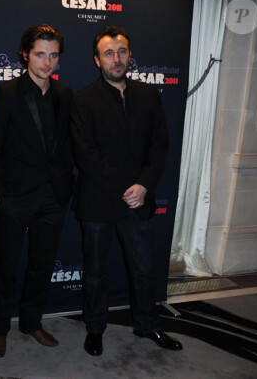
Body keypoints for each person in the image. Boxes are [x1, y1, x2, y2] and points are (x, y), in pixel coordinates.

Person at [70, 25, 182, 357]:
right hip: (98, 201)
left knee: (144, 269)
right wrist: (125, 187)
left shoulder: (149, 95)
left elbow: (160, 146)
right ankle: (94, 328)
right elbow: (85, 154)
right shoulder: (83, 100)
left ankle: (148, 325)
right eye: (109, 53)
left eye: (122, 52)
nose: (116, 59)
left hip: (139, 201)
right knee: (95, 273)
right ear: (97, 59)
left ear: (130, 55)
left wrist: (144, 186)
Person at [0, 24, 75, 358]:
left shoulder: (66, 94)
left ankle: (31, 322)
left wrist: (66, 188)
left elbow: (67, 145)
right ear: (26, 54)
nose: (47, 62)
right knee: (5, 265)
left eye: (53, 55)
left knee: (42, 264)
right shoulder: (6, 93)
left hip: (54, 196)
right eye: (40, 54)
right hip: (16, 196)